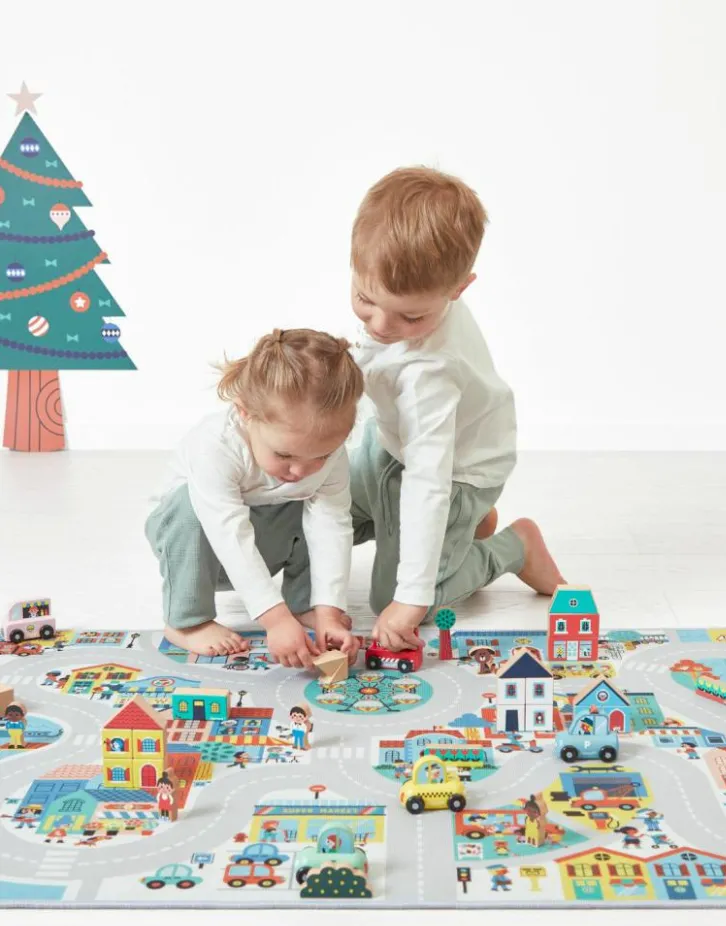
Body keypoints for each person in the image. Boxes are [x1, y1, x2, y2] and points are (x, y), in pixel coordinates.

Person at [347, 167, 565, 651]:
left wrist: (412, 597)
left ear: (458, 289)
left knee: (395, 599)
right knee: (319, 510)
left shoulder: (433, 373)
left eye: (410, 316)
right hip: (389, 444)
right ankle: (465, 528)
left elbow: (428, 482)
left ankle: (512, 547)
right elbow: (368, 361)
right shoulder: (406, 296)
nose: (380, 325)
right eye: (365, 299)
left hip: (454, 474)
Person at [146, 329, 364, 668]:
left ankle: (305, 603)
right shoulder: (215, 445)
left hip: (267, 541)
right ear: (246, 414)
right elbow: (228, 532)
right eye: (284, 455)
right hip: (200, 550)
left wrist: (329, 612)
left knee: (316, 510)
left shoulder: (328, 457)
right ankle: (187, 621)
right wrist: (274, 620)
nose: (300, 470)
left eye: (321, 456)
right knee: (188, 506)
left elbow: (332, 527)